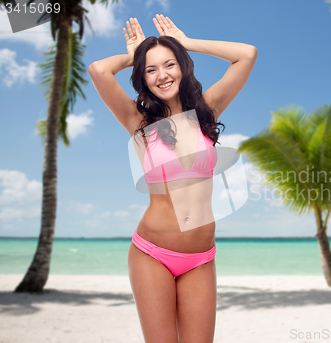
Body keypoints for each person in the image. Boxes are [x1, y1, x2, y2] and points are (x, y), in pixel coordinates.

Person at [88, 14, 257, 343]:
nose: (162, 75)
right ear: (143, 77)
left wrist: (187, 43)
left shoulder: (207, 111)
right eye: (150, 70)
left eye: (169, 65)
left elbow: (247, 54)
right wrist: (135, 54)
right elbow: (99, 70)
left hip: (201, 258)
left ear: (182, 66)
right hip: (152, 254)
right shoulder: (138, 121)